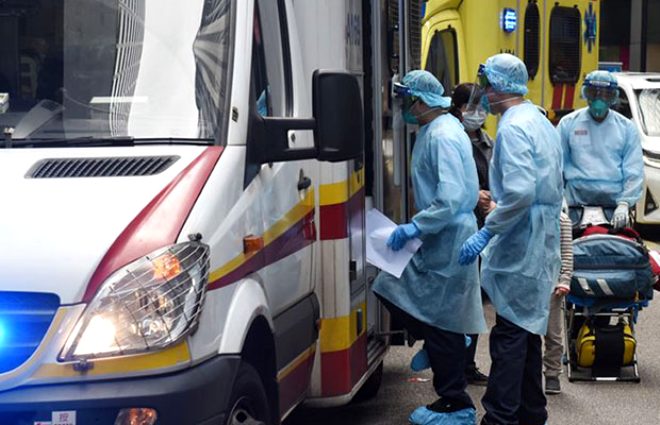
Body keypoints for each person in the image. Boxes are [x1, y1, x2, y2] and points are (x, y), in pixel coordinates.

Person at [372, 69, 487, 425]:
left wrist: (416, 226)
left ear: (420, 102)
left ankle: (455, 402)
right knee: (393, 286)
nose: (403, 107)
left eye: (407, 101)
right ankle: (440, 344)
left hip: (447, 233)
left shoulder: (442, 135)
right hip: (441, 232)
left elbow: (450, 196)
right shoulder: (437, 129)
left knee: (440, 318)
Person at [458, 53, 563, 425]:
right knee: (526, 332)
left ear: (500, 86)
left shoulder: (514, 127)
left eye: (487, 85)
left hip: (522, 240)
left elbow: (519, 192)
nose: (484, 93)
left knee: (511, 338)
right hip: (539, 238)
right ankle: (531, 414)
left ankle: (500, 418)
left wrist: (489, 229)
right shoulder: (539, 120)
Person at [558, 70, 643, 229]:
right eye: (594, 93)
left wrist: (624, 203)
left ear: (613, 97)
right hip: (575, 204)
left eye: (605, 94)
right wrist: (559, 198)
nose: (599, 99)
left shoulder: (626, 128)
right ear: (585, 94)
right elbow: (557, 166)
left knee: (617, 244)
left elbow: (634, 170)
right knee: (569, 244)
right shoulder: (568, 123)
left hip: (614, 206)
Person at [450, 82, 493, 387]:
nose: (477, 113)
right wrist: (472, 194)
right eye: (471, 107)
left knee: (475, 299)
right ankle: (454, 365)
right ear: (457, 108)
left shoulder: (489, 143)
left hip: (487, 225)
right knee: (460, 299)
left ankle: (467, 364)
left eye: (481, 107)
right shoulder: (451, 138)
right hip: (463, 228)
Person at [543, 205, 573, 395]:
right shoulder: (526, 213)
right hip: (528, 281)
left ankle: (552, 373)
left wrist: (564, 280)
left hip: (552, 284)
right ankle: (524, 373)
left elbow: (567, 253)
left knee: (553, 333)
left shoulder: (561, 220)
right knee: (526, 333)